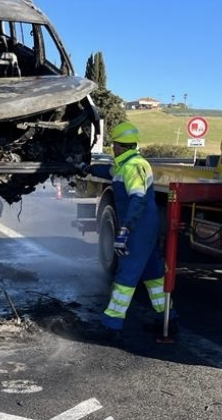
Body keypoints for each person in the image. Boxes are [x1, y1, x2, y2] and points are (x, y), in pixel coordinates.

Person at [86, 122, 176, 343]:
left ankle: (112, 325)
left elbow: (138, 199)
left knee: (126, 276)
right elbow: (107, 170)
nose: (112, 149)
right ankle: (167, 319)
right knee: (153, 275)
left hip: (138, 227)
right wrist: (84, 167)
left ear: (118, 145)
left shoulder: (133, 167)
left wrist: (125, 230)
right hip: (145, 226)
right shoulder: (127, 164)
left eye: (113, 145)